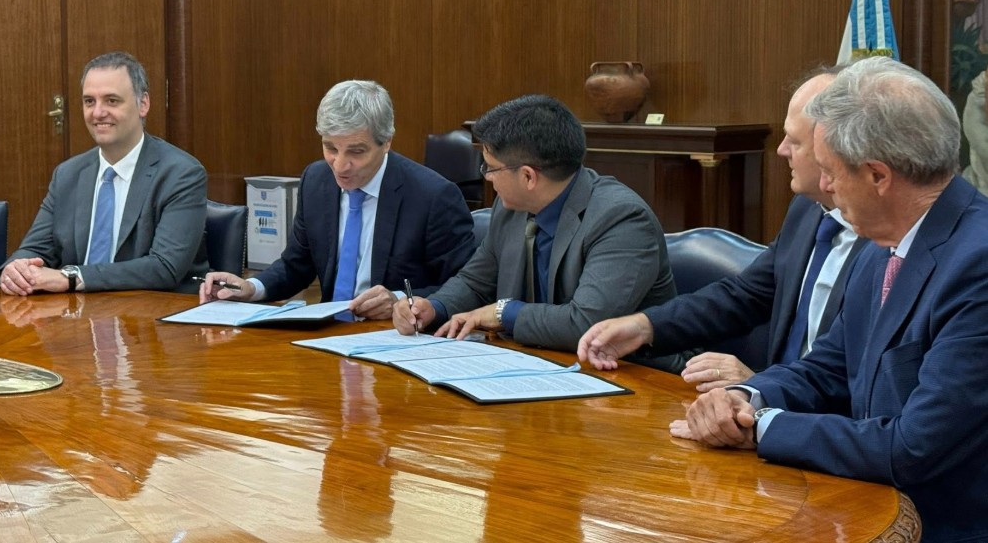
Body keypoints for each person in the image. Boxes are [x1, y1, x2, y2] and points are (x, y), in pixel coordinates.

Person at [672, 57, 988, 542]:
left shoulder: (977, 263)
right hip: (857, 504)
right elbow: (827, 368)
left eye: (830, 171)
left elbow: (913, 447)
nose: (822, 188)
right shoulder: (883, 241)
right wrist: (742, 398)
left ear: (878, 176)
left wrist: (761, 426)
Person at [577, 69, 867, 390]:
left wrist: (760, 386)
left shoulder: (887, 242)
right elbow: (746, 295)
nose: (781, 150)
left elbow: (863, 383)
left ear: (835, 149)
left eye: (794, 141)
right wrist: (646, 326)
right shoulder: (808, 209)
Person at [392, 94, 679, 362]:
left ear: (528, 176)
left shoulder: (621, 218)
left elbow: (587, 324)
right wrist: (434, 308)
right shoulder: (510, 207)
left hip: (633, 377)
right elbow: (475, 282)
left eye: (490, 167)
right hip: (531, 364)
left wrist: (504, 313)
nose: (487, 177)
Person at [198, 80, 475, 319]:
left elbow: (468, 288)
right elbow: (296, 265)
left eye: (356, 152)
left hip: (396, 338)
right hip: (327, 335)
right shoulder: (316, 180)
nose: (340, 166)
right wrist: (252, 288)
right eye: (330, 148)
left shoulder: (433, 196)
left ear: (387, 141)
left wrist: (401, 299)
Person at [0, 51, 207, 294]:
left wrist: (72, 277)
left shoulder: (181, 174)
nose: (97, 113)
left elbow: (165, 267)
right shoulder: (68, 174)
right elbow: (35, 249)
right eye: (89, 101)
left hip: (153, 312)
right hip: (74, 312)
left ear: (143, 104)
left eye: (112, 101)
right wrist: (16, 269)